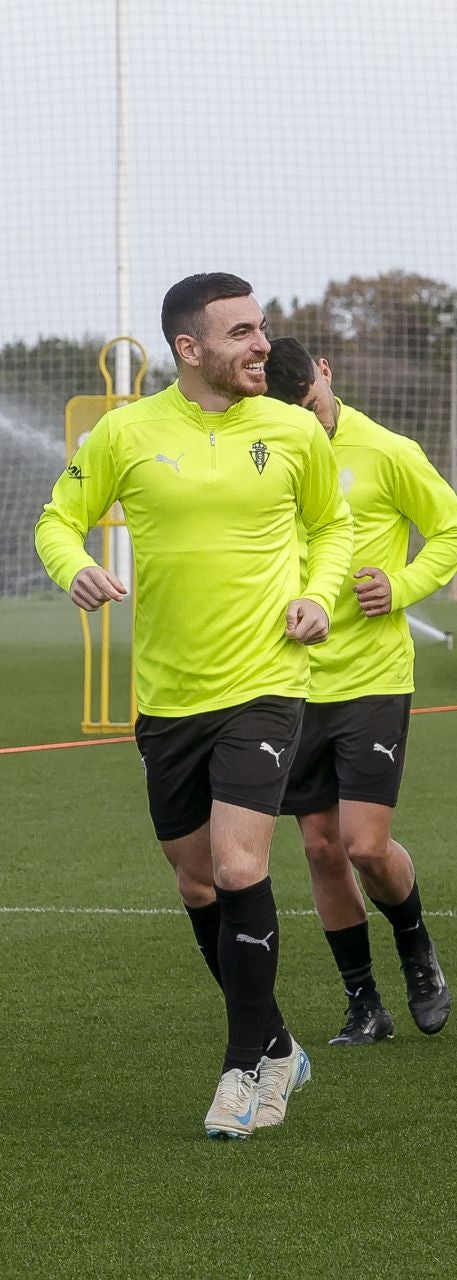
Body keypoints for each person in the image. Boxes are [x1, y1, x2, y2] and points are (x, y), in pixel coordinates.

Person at [35, 272, 352, 1137]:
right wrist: (77, 568)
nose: (262, 346)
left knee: (244, 865)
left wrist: (321, 594)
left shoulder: (292, 430)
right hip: (169, 696)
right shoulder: (126, 432)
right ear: (189, 348)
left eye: (262, 329)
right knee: (198, 879)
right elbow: (57, 520)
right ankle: (280, 1043)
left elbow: (334, 529)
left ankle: (242, 1071)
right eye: (242, 333)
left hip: (267, 682)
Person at [263, 338, 457, 1046]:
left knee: (362, 844)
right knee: (320, 849)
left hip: (372, 679)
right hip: (289, 680)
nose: (308, 422)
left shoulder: (388, 451)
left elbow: (453, 528)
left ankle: (417, 950)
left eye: (312, 406)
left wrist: (403, 586)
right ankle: (364, 1004)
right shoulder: (264, 454)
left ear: (326, 373)